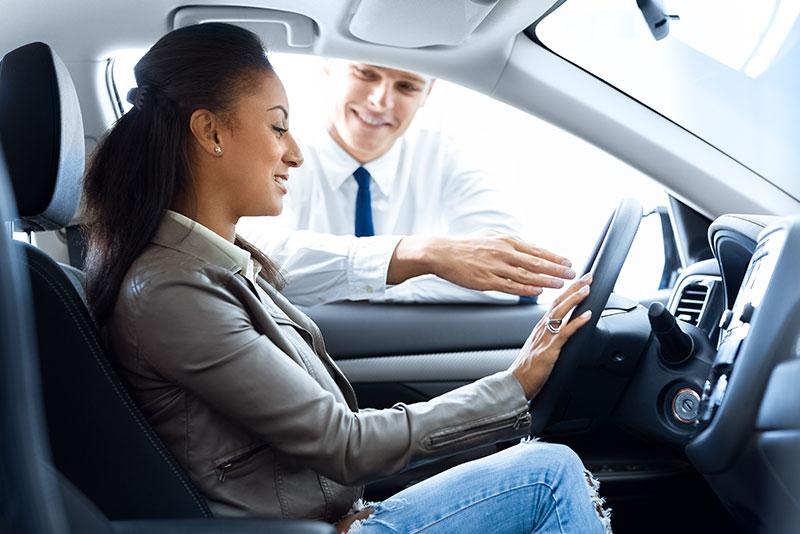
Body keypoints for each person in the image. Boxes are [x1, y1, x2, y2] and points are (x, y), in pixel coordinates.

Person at [83, 23, 611, 533]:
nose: (294, 152)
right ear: (210, 131)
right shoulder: (172, 289)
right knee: (547, 476)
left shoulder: (210, 264)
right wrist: (513, 385)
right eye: (277, 126)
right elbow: (343, 443)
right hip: (309, 528)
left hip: (331, 511)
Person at [237, 60, 575, 305]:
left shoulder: (449, 153)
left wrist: (342, 280)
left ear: (428, 92)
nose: (380, 101)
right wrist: (423, 256)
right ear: (329, 67)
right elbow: (260, 261)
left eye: (406, 86)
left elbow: (507, 273)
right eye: (366, 74)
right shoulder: (280, 149)